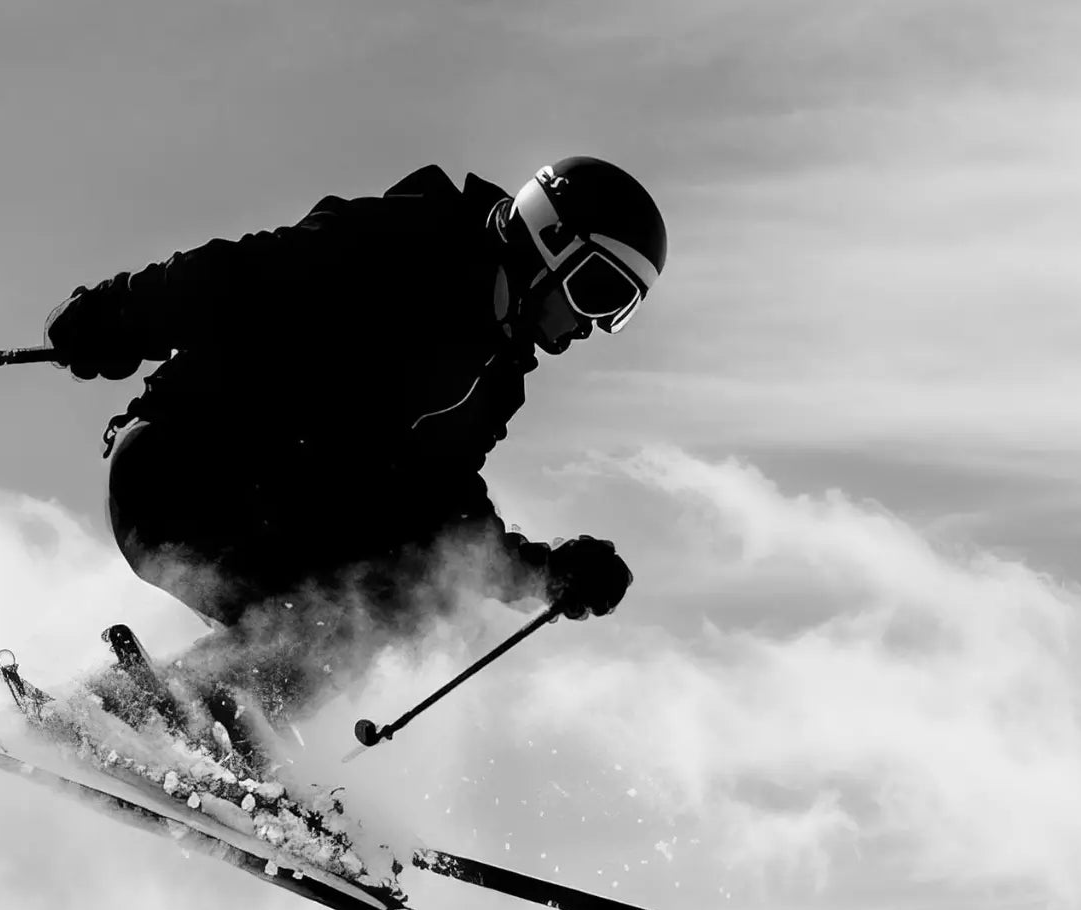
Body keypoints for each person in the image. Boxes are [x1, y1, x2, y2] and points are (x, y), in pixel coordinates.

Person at [43, 155, 665, 737]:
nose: (590, 325)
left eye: (619, 311)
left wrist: (545, 571)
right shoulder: (410, 240)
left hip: (276, 522)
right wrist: (121, 313)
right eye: (597, 291)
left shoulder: (496, 381)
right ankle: (169, 716)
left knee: (405, 590)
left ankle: (201, 719)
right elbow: (245, 275)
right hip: (186, 472)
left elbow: (444, 513)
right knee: (377, 581)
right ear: (549, 238)